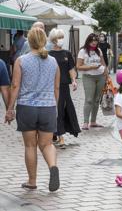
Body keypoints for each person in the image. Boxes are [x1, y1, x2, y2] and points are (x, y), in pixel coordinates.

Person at [5, 26, 60, 192]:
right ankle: (52, 167)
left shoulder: (21, 61)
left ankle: (32, 180)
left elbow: (15, 85)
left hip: (27, 107)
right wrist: (54, 107)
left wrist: (10, 109)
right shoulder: (53, 61)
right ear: (44, 41)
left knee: (30, 146)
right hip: (48, 107)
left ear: (29, 41)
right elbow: (56, 88)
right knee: (47, 144)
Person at [49, 28, 81, 148]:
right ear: (53, 40)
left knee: (63, 110)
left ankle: (58, 134)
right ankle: (59, 136)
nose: (61, 40)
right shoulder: (49, 54)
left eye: (62, 37)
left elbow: (71, 69)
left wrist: (73, 81)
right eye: (59, 38)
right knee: (57, 110)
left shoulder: (67, 53)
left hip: (64, 87)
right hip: (52, 87)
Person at [77, 33, 107, 130]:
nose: (94, 42)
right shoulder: (83, 51)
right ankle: (85, 122)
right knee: (89, 99)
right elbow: (78, 66)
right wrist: (91, 67)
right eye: (92, 40)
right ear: (88, 41)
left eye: (96, 40)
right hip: (88, 77)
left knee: (97, 99)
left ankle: (93, 121)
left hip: (101, 76)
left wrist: (106, 74)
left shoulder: (98, 50)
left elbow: (103, 64)